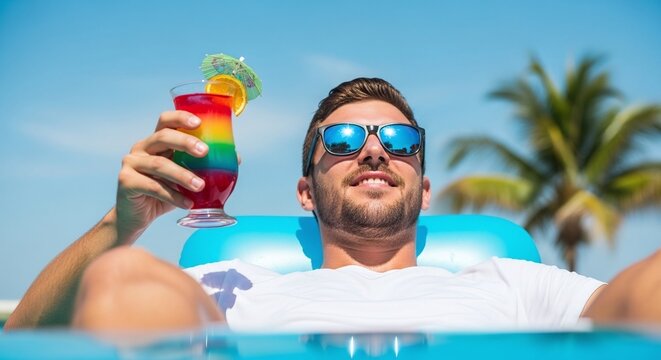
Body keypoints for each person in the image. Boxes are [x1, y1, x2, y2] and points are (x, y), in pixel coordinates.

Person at [5, 78, 661, 331]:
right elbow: (22, 341)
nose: (374, 152)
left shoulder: (512, 283)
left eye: (400, 142)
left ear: (423, 189)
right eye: (343, 141)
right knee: (121, 277)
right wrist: (115, 229)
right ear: (304, 190)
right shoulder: (230, 289)